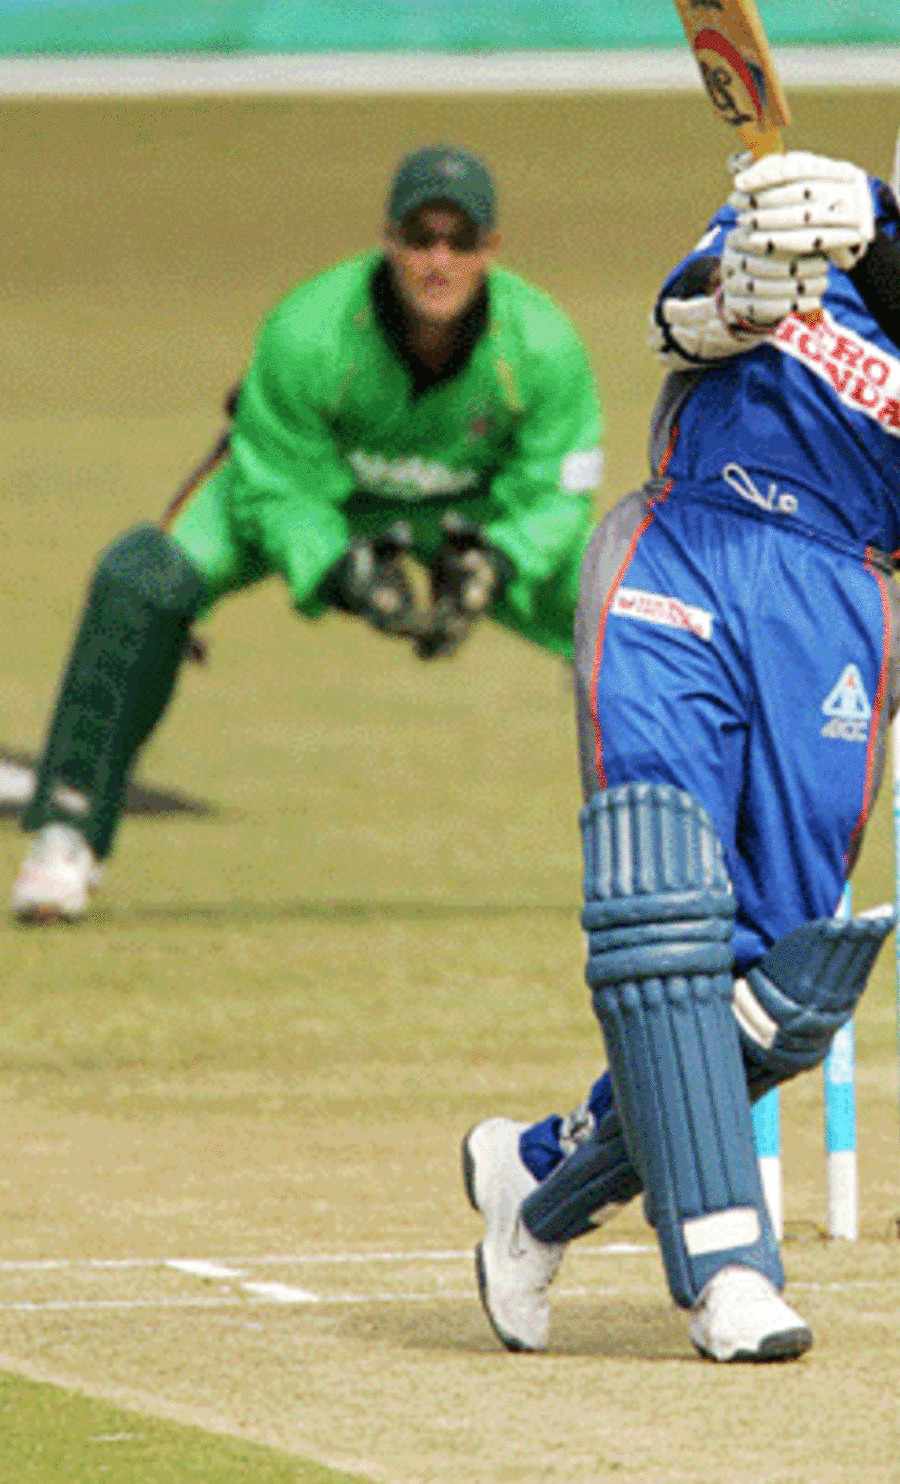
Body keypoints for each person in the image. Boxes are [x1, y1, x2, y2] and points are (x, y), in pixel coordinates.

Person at [461, 33, 900, 1364]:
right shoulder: (794, 195)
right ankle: (728, 1267)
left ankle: (542, 1174)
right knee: (658, 912)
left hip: (837, 600)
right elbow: (675, 314)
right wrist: (738, 294)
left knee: (781, 995)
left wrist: (858, 246)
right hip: (682, 543)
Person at [12, 144, 603, 922]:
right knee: (140, 579)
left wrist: (498, 561)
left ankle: (696, 855)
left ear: (490, 249)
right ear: (388, 239)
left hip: (470, 513)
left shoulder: (544, 345)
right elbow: (275, 481)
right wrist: (335, 569)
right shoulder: (309, 328)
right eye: (420, 237)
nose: (438, 259)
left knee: (630, 616)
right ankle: (65, 834)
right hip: (313, 495)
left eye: (460, 241)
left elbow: (558, 494)